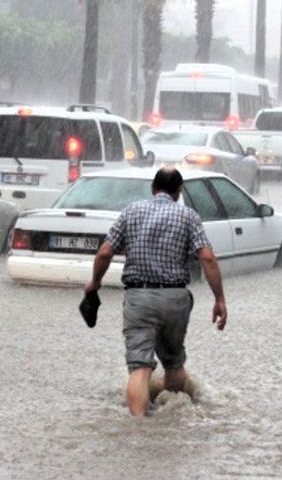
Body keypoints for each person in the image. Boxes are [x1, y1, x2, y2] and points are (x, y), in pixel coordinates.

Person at [84, 167, 228, 417]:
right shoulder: (188, 216)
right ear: (178, 191)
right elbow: (208, 258)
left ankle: (138, 427)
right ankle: (169, 415)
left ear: (153, 188)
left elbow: (105, 253)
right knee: (173, 362)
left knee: (140, 367)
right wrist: (219, 299)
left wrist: (94, 283)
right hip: (175, 299)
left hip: (139, 298)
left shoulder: (131, 212)